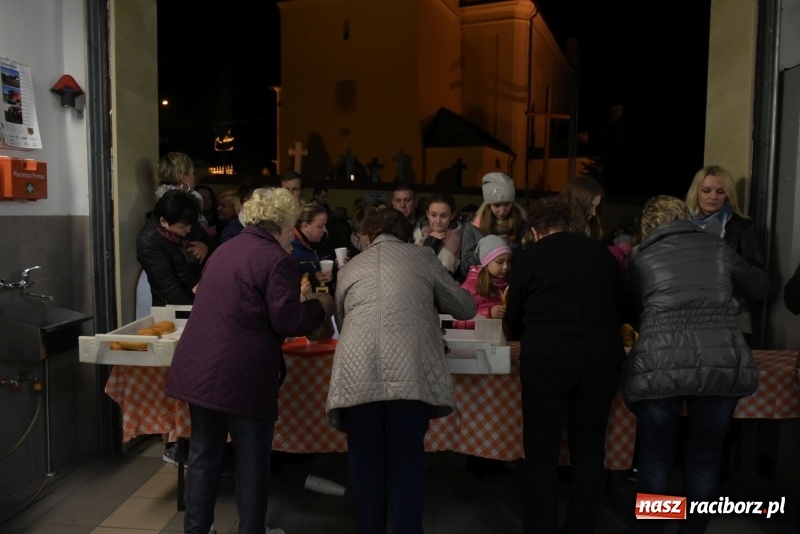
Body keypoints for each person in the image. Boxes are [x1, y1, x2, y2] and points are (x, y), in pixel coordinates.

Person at [165, 187, 334, 534]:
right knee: (252, 463)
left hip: (198, 368)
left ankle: (196, 530)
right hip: (242, 374)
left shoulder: (224, 249)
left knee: (203, 457)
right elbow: (286, 320)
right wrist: (319, 307)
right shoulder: (277, 259)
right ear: (283, 225)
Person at [622, 195, 770, 534]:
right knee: (704, 460)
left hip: (660, 363)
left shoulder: (641, 258)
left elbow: (631, 309)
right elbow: (760, 285)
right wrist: (732, 301)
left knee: (656, 460)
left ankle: (652, 530)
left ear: (649, 226)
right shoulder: (718, 247)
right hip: (720, 361)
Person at [326, 208, 476, 534]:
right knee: (407, 463)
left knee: (365, 466)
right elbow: (466, 307)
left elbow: (341, 318)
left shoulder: (350, 268)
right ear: (405, 232)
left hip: (357, 376)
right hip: (410, 374)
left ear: (367, 235)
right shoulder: (423, 258)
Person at [505, 196, 627, 534]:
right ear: (571, 224)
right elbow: (626, 306)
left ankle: (540, 526)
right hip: (600, 360)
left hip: (546, 360)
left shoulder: (530, 257)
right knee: (589, 452)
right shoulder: (600, 253)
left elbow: (514, 317)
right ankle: (581, 525)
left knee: (541, 454)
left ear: (534, 229)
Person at [685, 165, 768, 345]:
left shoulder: (742, 227)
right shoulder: (682, 225)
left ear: (728, 195)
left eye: (720, 191)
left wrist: (724, 255)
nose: (713, 197)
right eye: (706, 190)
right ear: (696, 192)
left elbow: (759, 284)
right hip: (689, 317)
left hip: (732, 319)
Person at [136, 189, 215, 308]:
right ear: (164, 221)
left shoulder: (187, 221)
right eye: (182, 227)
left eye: (190, 224)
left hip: (202, 295)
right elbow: (169, 288)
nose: (188, 229)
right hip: (174, 307)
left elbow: (215, 248)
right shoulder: (149, 241)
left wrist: (205, 247)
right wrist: (196, 309)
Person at [459, 172, 526, 279]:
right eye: (497, 205)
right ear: (488, 205)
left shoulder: (521, 224)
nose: (502, 210)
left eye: (507, 204)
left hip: (513, 283)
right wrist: (488, 247)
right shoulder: (473, 227)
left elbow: (528, 262)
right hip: (482, 285)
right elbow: (465, 268)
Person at [452, 235, 511, 330]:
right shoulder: (469, 288)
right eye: (500, 262)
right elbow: (458, 322)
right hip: (480, 338)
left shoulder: (508, 285)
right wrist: (488, 313)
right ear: (486, 262)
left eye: (508, 262)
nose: (505, 267)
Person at [290, 202, 337, 293]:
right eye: (320, 226)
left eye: (325, 225)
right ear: (305, 226)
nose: (325, 230)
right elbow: (287, 283)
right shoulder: (290, 249)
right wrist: (313, 277)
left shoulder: (326, 243)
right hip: (306, 300)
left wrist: (337, 266)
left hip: (328, 298)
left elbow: (334, 275)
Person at [413, 191, 462, 274]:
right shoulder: (418, 232)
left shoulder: (460, 237)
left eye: (443, 216)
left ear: (452, 215)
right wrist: (431, 240)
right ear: (427, 214)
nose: (438, 221)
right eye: (433, 215)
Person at [558, 175, 605, 240]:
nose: (593, 213)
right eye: (590, 206)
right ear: (576, 203)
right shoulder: (557, 227)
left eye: (596, 207)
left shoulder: (588, 227)